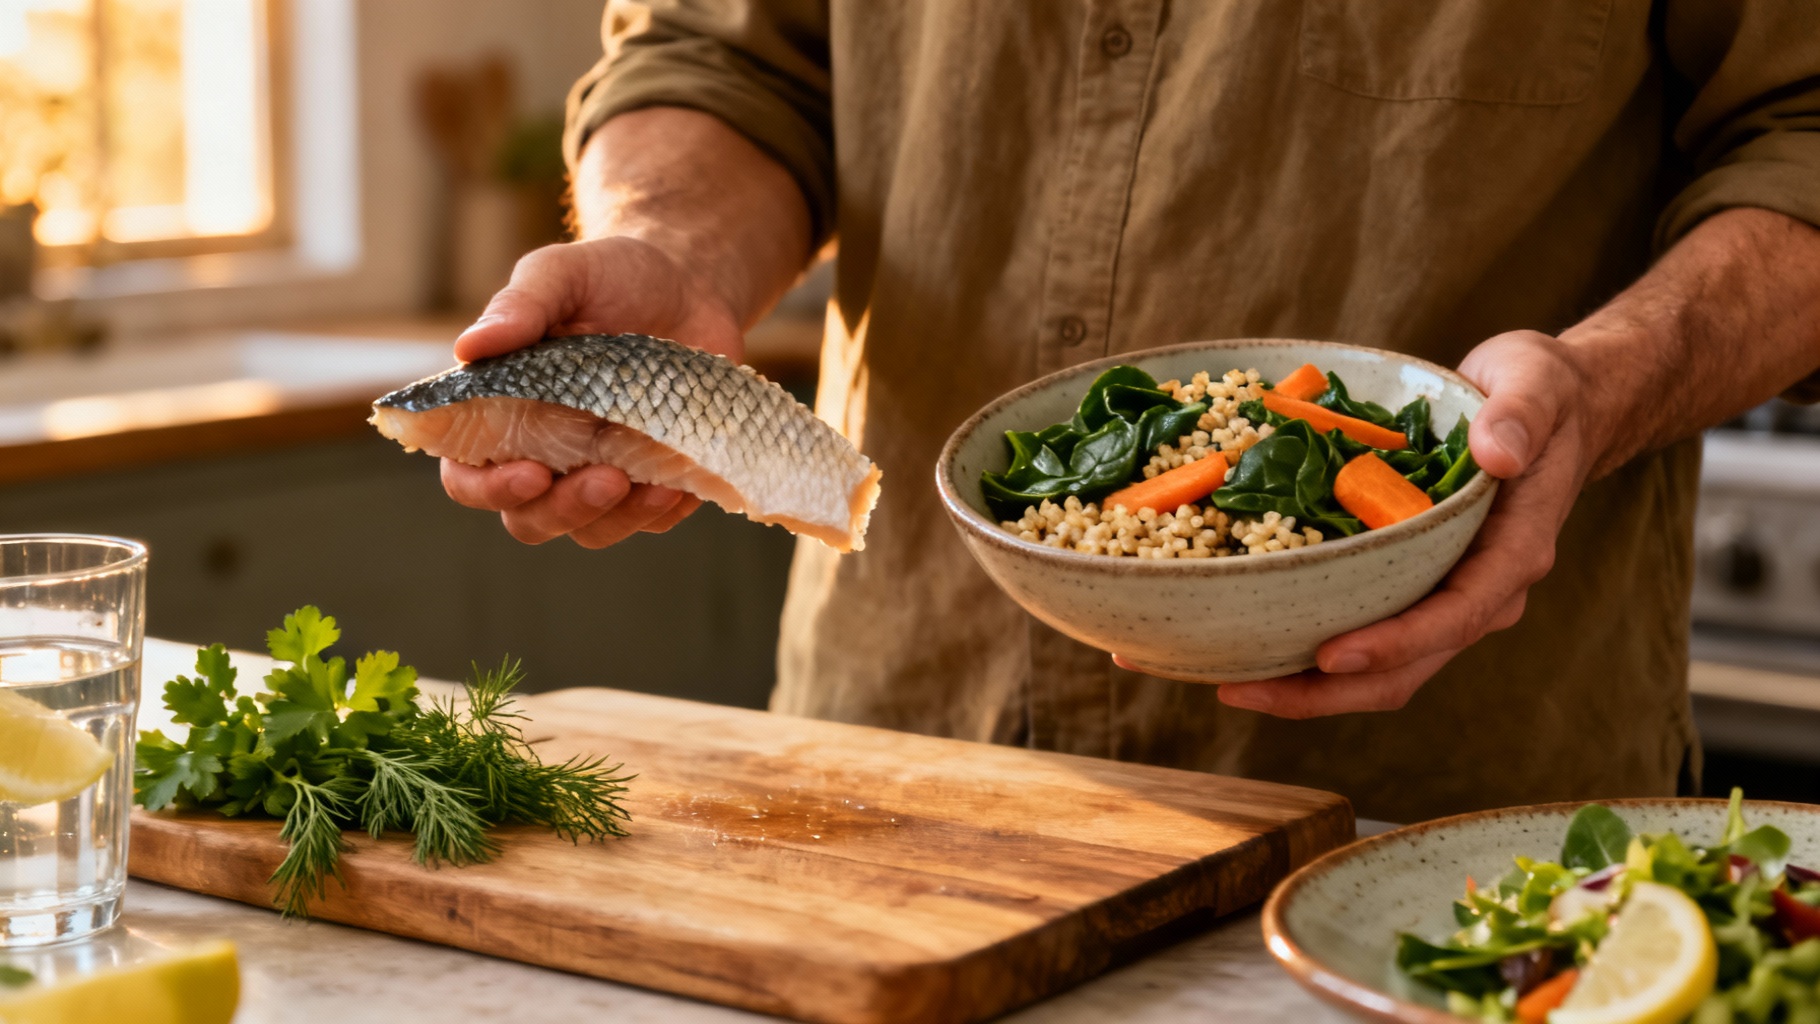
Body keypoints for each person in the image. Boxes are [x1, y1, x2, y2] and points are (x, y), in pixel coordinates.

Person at [438, 2, 1820, 822]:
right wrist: (671, 255)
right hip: (901, 759)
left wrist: (1600, 383)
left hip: (1436, 811)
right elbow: (732, 55)